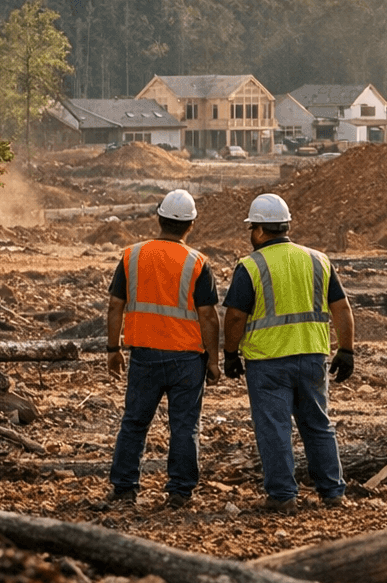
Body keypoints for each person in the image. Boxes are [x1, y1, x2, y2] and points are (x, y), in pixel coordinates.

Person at [222, 193, 355, 513]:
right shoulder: (318, 260)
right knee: (318, 425)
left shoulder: (250, 266)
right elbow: (341, 307)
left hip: (268, 362)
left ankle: (283, 496)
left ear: (259, 230)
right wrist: (347, 350)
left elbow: (236, 316)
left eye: (251, 228)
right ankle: (333, 492)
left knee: (274, 428)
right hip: (312, 357)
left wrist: (229, 353)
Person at [97, 188, 222, 511]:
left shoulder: (132, 256)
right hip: (187, 359)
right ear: (191, 225)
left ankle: (124, 488)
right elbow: (208, 316)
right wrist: (214, 360)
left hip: (144, 356)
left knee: (135, 423)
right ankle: (180, 492)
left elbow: (115, 306)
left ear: (158, 218)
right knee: (184, 425)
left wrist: (114, 349)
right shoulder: (198, 263)